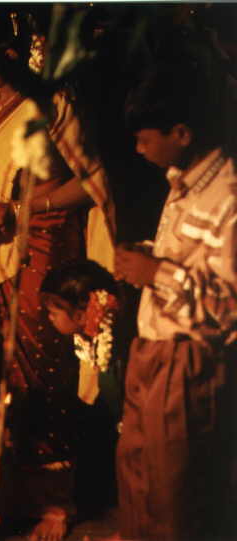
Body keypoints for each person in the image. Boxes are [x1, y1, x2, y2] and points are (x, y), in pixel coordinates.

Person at [0, 11, 116, 541]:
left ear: (6, 54)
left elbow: (93, 180)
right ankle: (6, 488)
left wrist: (25, 208)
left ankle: (55, 501)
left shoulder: (54, 101)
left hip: (45, 249)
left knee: (42, 369)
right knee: (2, 366)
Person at [113, 64, 236, 541]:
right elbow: (192, 263)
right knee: (138, 475)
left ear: (181, 132)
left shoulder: (227, 197)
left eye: (145, 139)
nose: (139, 150)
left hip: (188, 360)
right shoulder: (182, 182)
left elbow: (227, 307)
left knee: (176, 494)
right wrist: (151, 259)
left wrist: (156, 273)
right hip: (152, 348)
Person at [41, 260, 124, 517]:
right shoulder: (93, 338)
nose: (49, 317)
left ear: (79, 315)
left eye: (53, 312)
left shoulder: (119, 351)